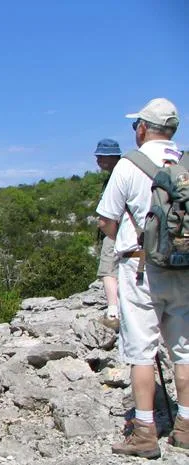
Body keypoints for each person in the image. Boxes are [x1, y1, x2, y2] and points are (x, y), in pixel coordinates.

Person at [97, 97, 188, 458]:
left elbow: (106, 218)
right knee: (183, 350)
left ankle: (145, 432)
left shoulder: (129, 165)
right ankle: (184, 425)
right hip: (183, 266)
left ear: (142, 128)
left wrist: (123, 238)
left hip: (141, 269)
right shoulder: (183, 163)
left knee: (142, 352)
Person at [93, 139, 122, 331]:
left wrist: (109, 233)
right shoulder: (123, 173)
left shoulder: (117, 176)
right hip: (130, 232)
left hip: (115, 231)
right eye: (98, 156)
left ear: (114, 157)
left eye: (103, 156)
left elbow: (107, 216)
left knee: (108, 270)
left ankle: (113, 312)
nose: (99, 160)